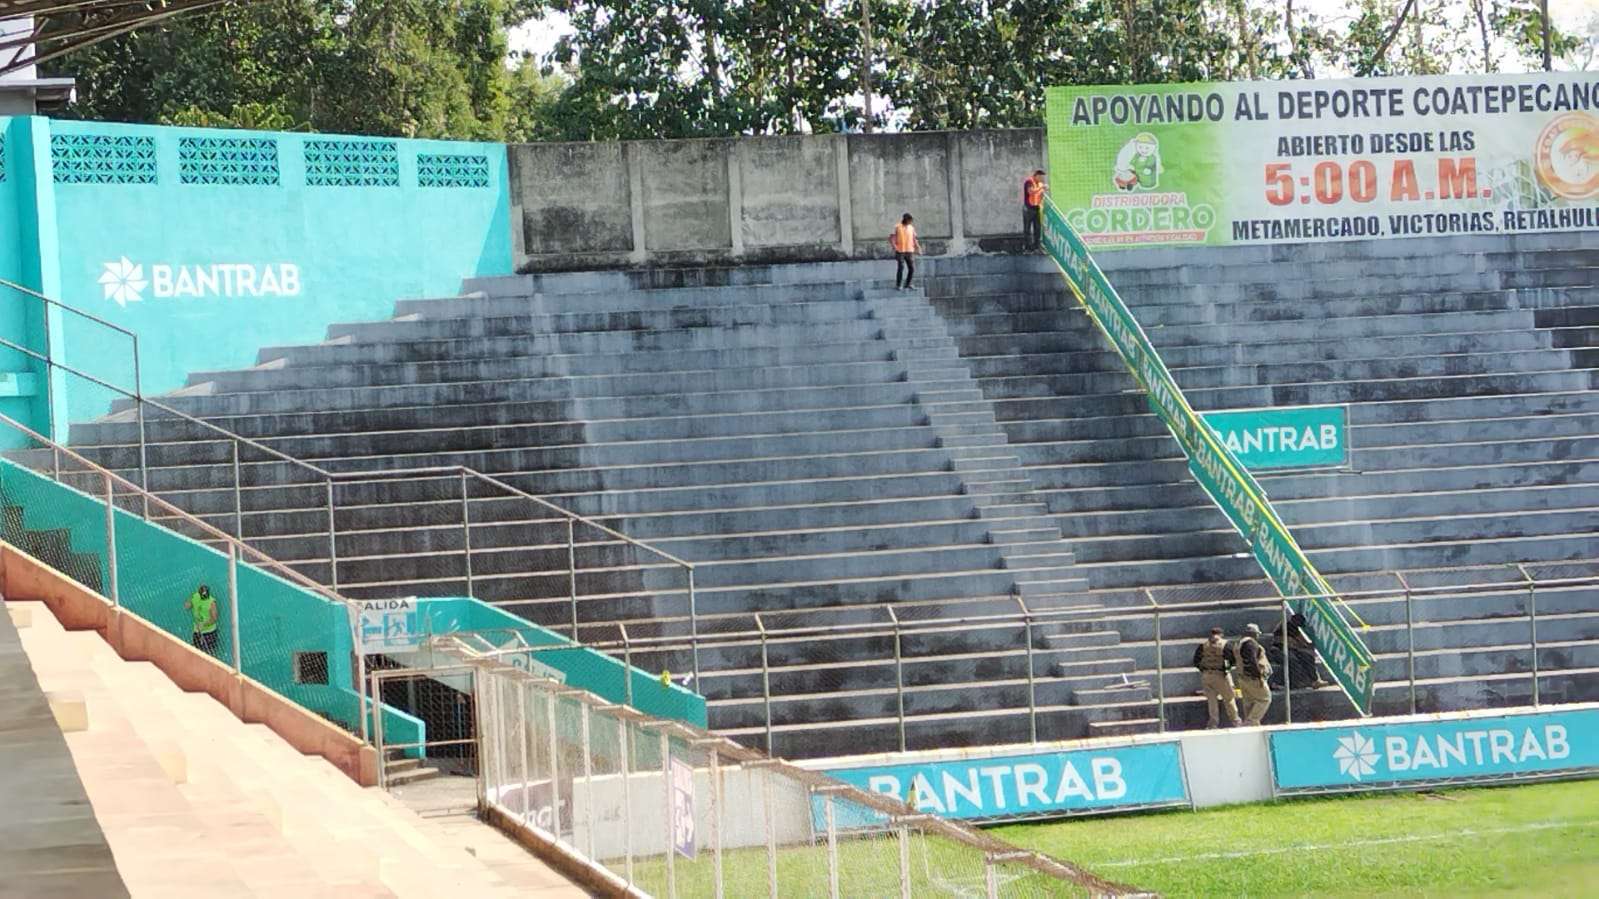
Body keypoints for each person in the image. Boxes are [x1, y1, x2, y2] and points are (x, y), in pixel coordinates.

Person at [1191, 626, 1240, 729]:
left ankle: (1213, 724)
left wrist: (1204, 670)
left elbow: (1196, 661)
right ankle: (1236, 721)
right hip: (1221, 675)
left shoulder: (1204, 645)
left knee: (1212, 701)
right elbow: (1232, 660)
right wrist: (1226, 670)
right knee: (1229, 699)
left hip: (1206, 676)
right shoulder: (1226, 644)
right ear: (1221, 634)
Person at [1270, 612, 1329, 690]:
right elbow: (1301, 642)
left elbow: (1301, 643)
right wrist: (1310, 645)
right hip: (1278, 650)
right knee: (1292, 661)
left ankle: (1315, 681)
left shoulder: (1293, 627)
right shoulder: (1286, 626)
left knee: (1308, 657)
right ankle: (1289, 684)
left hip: (1290, 650)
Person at [1234, 624, 1273, 726]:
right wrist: (1258, 676)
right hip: (1252, 678)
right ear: (1254, 634)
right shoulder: (1251, 644)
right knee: (1265, 699)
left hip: (1242, 677)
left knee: (1249, 701)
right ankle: (1251, 722)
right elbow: (1252, 661)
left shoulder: (1239, 643)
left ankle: (1251, 723)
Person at [184, 584, 221, 656]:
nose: (205, 596)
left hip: (209, 632)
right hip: (197, 630)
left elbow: (214, 618)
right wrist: (189, 602)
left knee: (210, 652)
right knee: (196, 650)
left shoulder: (211, 603)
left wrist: (203, 624)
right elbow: (188, 605)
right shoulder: (195, 597)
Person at [890, 213, 920, 291]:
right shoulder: (897, 227)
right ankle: (898, 285)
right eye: (909, 220)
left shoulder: (911, 228)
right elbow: (892, 238)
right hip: (900, 251)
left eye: (911, 220)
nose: (910, 222)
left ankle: (908, 284)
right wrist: (894, 247)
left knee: (912, 268)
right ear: (905, 219)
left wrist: (918, 248)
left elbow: (914, 239)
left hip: (909, 251)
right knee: (901, 267)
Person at [1022, 169, 1047, 251]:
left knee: (1037, 228)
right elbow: (1031, 192)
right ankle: (1027, 247)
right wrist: (1041, 188)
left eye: (1042, 177)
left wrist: (1044, 190)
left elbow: (1040, 194)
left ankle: (1036, 246)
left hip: (1036, 208)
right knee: (1027, 229)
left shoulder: (1039, 184)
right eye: (1040, 177)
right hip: (1028, 209)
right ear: (1036, 176)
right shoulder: (1029, 182)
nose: (1041, 179)